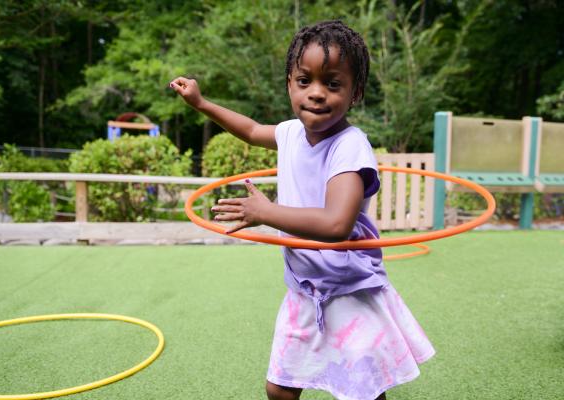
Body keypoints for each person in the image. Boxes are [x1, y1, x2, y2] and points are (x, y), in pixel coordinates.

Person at [170, 20, 434, 400]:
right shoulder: (291, 133)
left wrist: (266, 212)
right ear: (289, 85)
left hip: (348, 288)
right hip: (304, 288)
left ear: (355, 92)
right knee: (279, 390)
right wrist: (201, 103)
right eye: (304, 80)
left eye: (332, 83)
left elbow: (337, 224)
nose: (316, 93)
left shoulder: (349, 146)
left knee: (364, 390)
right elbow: (250, 129)